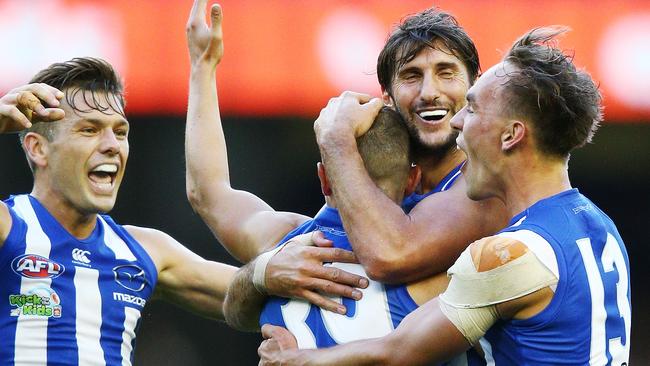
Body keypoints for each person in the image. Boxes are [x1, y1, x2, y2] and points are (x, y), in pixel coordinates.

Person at [258, 26, 631, 365]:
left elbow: (399, 351)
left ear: (510, 135)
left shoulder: (508, 255)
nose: (456, 121)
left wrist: (297, 360)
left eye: (473, 108)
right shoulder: (599, 225)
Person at [185, 2, 507, 316]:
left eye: (445, 73)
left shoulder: (489, 191)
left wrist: (336, 138)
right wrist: (203, 67)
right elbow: (209, 195)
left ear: (474, 85)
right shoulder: (314, 241)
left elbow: (390, 254)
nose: (429, 91)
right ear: (387, 97)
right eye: (411, 76)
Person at [0, 57, 236, 365]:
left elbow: (261, 293)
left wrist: (203, 68)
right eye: (89, 129)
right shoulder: (9, 227)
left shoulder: (145, 251)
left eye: (120, 132)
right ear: (38, 148)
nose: (112, 145)